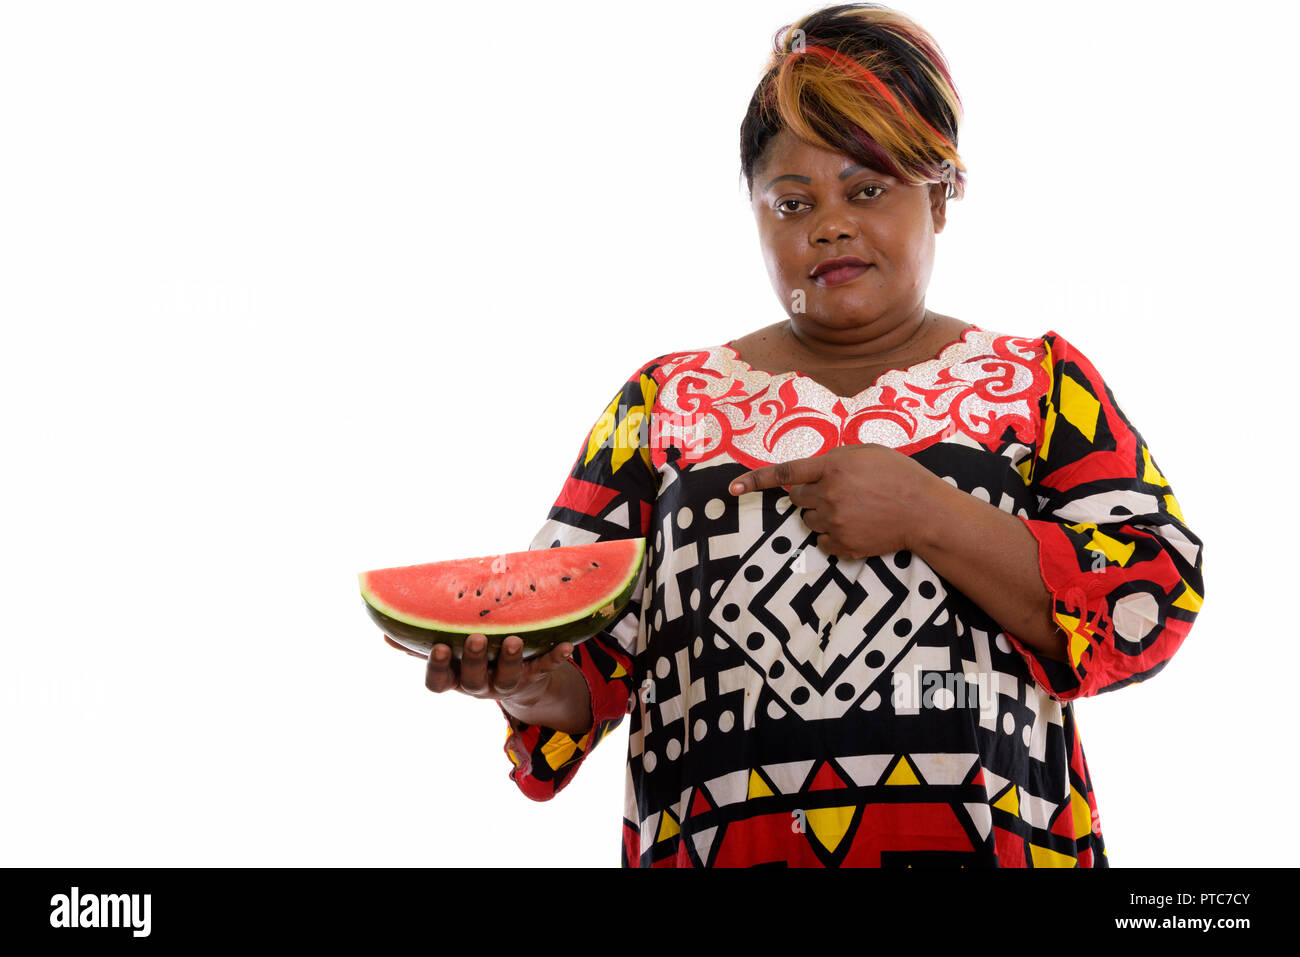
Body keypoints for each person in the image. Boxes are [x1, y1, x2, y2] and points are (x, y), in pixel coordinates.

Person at [392, 2, 1205, 867]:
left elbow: (1148, 597)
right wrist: (522, 683)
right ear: (752, 213)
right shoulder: (661, 400)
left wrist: (927, 511)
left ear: (940, 196)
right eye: (792, 201)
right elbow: (583, 666)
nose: (829, 224)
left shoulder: (1042, 383)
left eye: (868, 189)